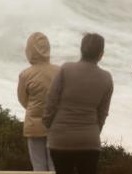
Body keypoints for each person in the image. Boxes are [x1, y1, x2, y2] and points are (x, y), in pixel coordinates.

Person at [43, 33, 113, 174]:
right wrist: (93, 130)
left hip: (60, 138)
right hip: (89, 140)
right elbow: (102, 113)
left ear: (81, 49)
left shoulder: (66, 69)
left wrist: (48, 123)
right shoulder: (106, 78)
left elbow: (51, 100)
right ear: (101, 54)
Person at [17, 32, 60, 171]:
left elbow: (23, 100)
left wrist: (33, 108)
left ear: (29, 51)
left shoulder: (25, 75)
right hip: (55, 124)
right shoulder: (59, 71)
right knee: (54, 166)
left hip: (33, 126)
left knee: (38, 167)